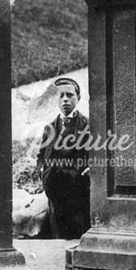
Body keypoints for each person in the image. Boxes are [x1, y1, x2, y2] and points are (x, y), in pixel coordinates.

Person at [36, 77, 91, 239]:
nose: (65, 99)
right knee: (57, 230)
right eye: (61, 96)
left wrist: (91, 167)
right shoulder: (50, 127)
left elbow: (98, 152)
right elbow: (41, 154)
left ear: (78, 98)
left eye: (70, 95)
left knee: (76, 231)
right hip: (55, 187)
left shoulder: (87, 125)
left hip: (76, 186)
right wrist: (41, 169)